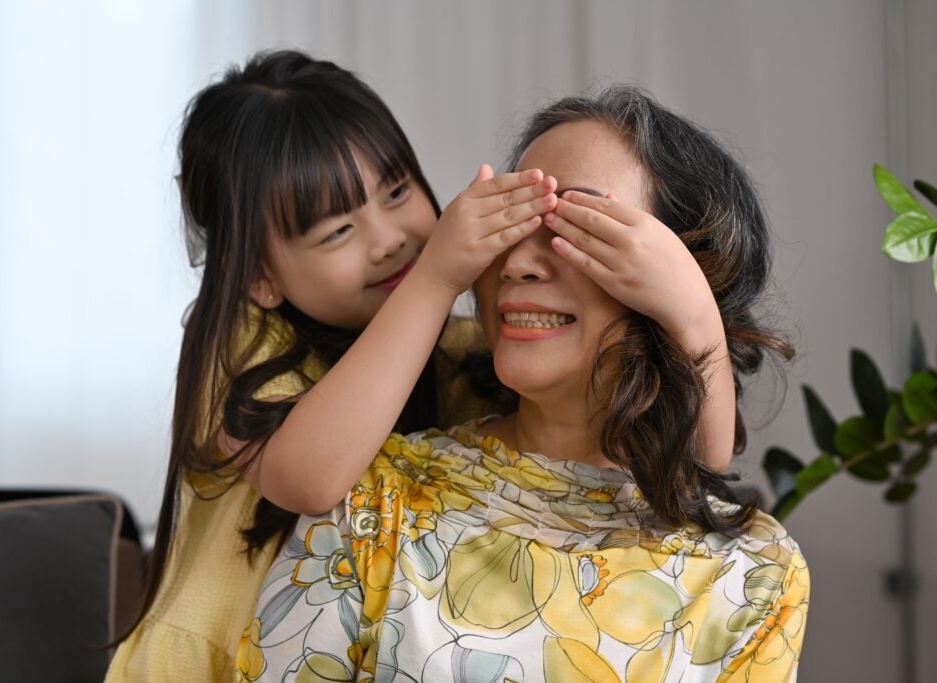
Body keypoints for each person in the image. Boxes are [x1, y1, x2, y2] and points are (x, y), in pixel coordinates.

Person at [238, 86, 807, 682]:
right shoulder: (374, 507)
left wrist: (693, 317)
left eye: (579, 227)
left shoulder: (756, 573)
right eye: (511, 222)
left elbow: (706, 456)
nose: (517, 263)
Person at [106, 49, 554, 681]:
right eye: (337, 231)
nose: (389, 237)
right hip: (215, 665)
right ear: (259, 276)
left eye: (397, 191)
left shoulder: (453, 351)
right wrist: (433, 281)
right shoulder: (239, 339)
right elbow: (309, 478)